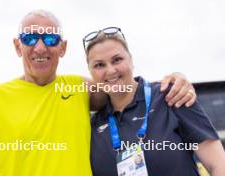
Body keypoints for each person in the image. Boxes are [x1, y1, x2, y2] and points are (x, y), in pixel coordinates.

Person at [0, 10, 196, 176]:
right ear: (18, 46)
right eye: (30, 38)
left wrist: (174, 80)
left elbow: (125, 86)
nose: (40, 47)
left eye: (50, 39)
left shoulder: (81, 88)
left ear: (62, 48)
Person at [84, 27, 225, 176]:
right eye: (99, 65)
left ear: (131, 60)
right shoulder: (93, 125)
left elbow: (218, 164)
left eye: (117, 60)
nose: (111, 70)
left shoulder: (171, 96)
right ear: (90, 71)